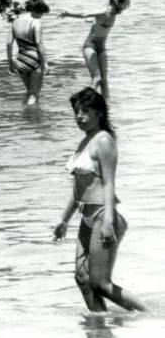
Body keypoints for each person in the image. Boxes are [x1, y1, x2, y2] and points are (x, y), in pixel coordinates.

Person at [52, 88, 146, 312]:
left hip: (106, 213)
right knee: (83, 278)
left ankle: (152, 316)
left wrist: (107, 223)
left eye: (85, 111)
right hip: (87, 214)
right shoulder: (85, 141)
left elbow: (109, 183)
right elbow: (77, 190)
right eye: (76, 111)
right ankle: (100, 328)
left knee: (100, 283)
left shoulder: (103, 140)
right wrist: (63, 220)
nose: (79, 116)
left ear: (99, 113)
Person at [59, 0, 130, 101]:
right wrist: (68, 13)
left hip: (102, 47)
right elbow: (85, 14)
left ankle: (107, 108)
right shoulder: (103, 11)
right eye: (125, 5)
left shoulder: (113, 14)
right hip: (90, 45)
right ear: (118, 3)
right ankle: (85, 104)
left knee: (104, 82)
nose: (126, 7)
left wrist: (92, 21)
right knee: (97, 79)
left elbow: (97, 22)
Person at [7, 0, 50, 106]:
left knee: (30, 91)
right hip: (34, 59)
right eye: (42, 14)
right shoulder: (36, 22)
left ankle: (26, 117)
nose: (41, 17)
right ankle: (32, 117)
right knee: (34, 94)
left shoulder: (15, 22)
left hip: (20, 60)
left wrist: (10, 63)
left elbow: (8, 44)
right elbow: (39, 43)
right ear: (38, 11)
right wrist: (45, 62)